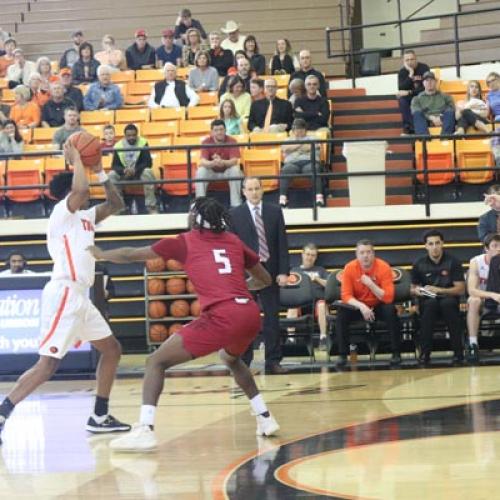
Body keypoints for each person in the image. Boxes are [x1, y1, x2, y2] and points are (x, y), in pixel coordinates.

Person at [87, 197, 280, 452]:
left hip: (223, 316)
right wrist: (238, 291)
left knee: (155, 361)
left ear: (195, 219)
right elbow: (265, 279)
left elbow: (131, 254)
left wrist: (101, 254)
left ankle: (145, 430)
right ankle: (265, 418)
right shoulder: (233, 241)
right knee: (232, 359)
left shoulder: (184, 241)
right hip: (249, 312)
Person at [0, 141, 130, 440]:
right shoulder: (61, 212)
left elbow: (116, 204)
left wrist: (100, 172)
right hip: (64, 294)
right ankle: (3, 411)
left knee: (111, 350)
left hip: (81, 297)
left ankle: (99, 414)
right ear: (68, 192)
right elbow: (81, 191)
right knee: (48, 365)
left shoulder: (85, 218)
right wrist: (77, 160)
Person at [230, 177, 290, 374]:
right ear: (243, 192)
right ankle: (244, 361)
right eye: (250, 189)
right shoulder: (234, 215)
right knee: (246, 318)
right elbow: (232, 248)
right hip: (247, 274)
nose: (254, 192)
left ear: (262, 190)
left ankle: (273, 361)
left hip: (270, 271)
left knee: (272, 318)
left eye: (257, 188)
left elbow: (282, 242)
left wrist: (283, 271)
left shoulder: (274, 211)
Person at [336, 239, 401, 367]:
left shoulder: (384, 267)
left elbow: (388, 297)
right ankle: (342, 354)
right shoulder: (349, 268)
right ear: (357, 254)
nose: (365, 255)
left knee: (390, 310)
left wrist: (371, 284)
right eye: (362, 253)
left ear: (373, 253)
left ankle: (396, 352)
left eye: (368, 252)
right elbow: (345, 296)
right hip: (358, 306)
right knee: (342, 313)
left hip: (378, 304)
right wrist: (362, 307)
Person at [410, 229, 465, 365]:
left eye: (437, 243)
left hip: (448, 298)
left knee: (448, 305)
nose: (434, 247)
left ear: (442, 244)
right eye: (431, 244)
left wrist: (439, 290)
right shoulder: (418, 263)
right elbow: (412, 288)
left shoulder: (453, 261)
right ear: (426, 246)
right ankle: (425, 354)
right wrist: (418, 292)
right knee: (430, 305)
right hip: (428, 300)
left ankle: (458, 353)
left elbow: (460, 289)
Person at [466, 233, 500, 365]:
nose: (498, 249)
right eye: (495, 246)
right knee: (473, 300)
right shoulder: (476, 261)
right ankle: (473, 344)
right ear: (486, 248)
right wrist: (492, 295)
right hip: (483, 300)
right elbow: (471, 290)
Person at [109, 123, 158, 214]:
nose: (131, 137)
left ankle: (151, 206)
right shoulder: (118, 145)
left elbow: (148, 162)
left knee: (148, 171)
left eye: (133, 135)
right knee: (111, 175)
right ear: (125, 136)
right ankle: (118, 208)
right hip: (124, 174)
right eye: (129, 135)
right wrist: (123, 171)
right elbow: (114, 165)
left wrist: (135, 170)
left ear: (137, 134)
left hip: (139, 173)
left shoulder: (143, 143)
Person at [288, 243, 330, 350]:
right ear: (302, 255)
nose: (309, 257)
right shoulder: (295, 270)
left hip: (317, 304)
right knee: (292, 304)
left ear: (316, 257)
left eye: (313, 255)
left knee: (321, 304)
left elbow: (330, 284)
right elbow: (289, 288)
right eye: (307, 254)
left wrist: (317, 279)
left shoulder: (321, 270)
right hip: (300, 303)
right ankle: (291, 339)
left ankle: (323, 338)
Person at [195, 119, 243, 207]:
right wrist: (213, 163)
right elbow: (203, 161)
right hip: (211, 171)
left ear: (225, 130)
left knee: (236, 170)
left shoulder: (232, 141)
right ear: (212, 132)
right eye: (216, 130)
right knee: (201, 171)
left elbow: (234, 161)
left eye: (221, 129)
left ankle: (236, 204)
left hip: (227, 171)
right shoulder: (206, 142)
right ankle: (200, 204)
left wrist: (222, 162)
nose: (219, 132)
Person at [279, 118, 323, 207]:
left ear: (305, 130)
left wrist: (294, 147)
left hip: (309, 161)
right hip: (292, 163)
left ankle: (319, 198)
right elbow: (285, 148)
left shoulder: (312, 138)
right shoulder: (288, 140)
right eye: (296, 129)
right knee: (286, 170)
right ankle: (283, 199)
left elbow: (316, 146)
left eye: (301, 129)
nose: (298, 131)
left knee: (313, 169)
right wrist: (301, 144)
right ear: (293, 130)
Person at [396, 50, 430, 135]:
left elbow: (426, 87)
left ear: (416, 59)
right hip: (410, 97)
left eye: (412, 59)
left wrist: (410, 92)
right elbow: (401, 88)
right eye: (407, 60)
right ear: (404, 62)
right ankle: (412, 128)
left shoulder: (424, 68)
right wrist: (410, 74)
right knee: (402, 100)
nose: (410, 62)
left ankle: (416, 127)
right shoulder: (402, 72)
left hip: (422, 95)